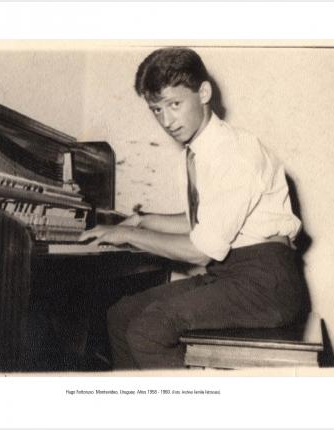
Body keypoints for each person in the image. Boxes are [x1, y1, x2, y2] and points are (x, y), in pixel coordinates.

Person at [78, 47, 310, 369]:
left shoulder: (232, 152)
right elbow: (199, 224)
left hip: (267, 283)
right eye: (156, 110)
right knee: (121, 315)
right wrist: (142, 221)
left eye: (174, 105)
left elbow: (200, 251)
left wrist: (127, 234)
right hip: (234, 274)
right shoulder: (197, 152)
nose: (166, 121)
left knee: (148, 330)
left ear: (203, 93)